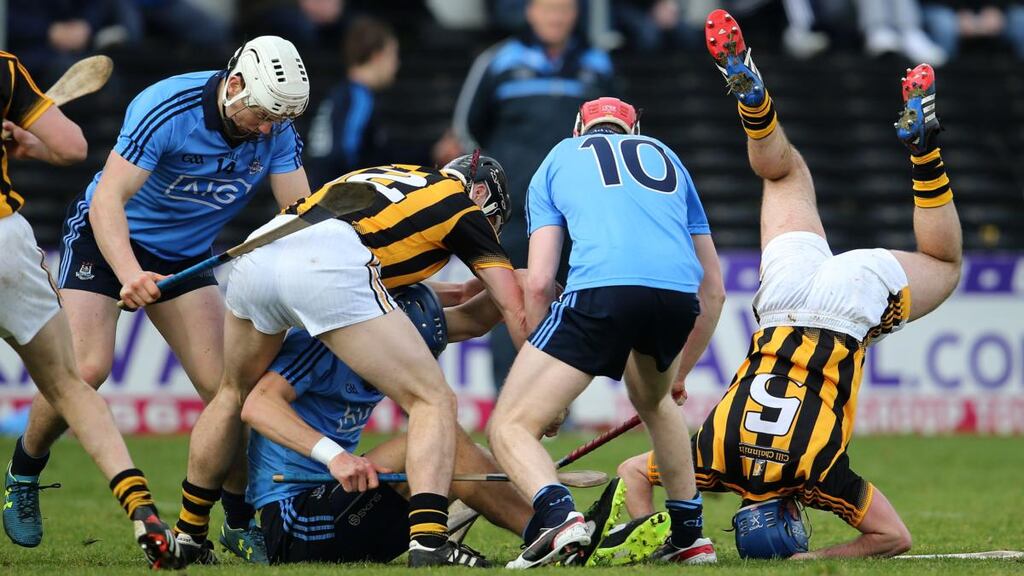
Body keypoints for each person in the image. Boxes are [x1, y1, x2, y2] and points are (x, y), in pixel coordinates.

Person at [610, 9, 961, 560]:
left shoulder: (820, 476)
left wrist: (813, 560)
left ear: (794, 515)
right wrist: (668, 544)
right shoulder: (710, 454)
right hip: (781, 299)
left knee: (944, 262)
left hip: (849, 304)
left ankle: (925, 154)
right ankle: (753, 103)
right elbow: (632, 472)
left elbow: (893, 538)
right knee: (782, 172)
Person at [5, 35, 312, 562]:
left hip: (186, 258)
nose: (265, 130)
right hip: (108, 243)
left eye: (275, 121)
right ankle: (23, 473)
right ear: (235, 85)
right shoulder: (167, 107)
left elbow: (298, 217)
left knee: (230, 391)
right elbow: (107, 201)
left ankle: (237, 521)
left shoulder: (276, 130)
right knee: (86, 368)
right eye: (260, 115)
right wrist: (127, 273)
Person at [174, 154, 525, 567]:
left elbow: (466, 313)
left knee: (230, 391)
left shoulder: (403, 179)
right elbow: (510, 303)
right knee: (435, 403)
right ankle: (432, 544)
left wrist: (539, 282)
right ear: (482, 195)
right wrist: (334, 456)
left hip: (268, 246)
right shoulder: (344, 324)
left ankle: (189, 533)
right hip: (327, 267)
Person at [486, 95, 725, 568]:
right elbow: (713, 288)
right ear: (634, 130)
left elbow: (537, 282)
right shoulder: (669, 158)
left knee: (509, 425)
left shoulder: (558, 157)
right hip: (676, 297)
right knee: (655, 402)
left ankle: (558, 519)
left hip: (603, 291)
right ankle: (691, 537)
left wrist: (544, 381)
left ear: (579, 129)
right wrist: (680, 374)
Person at [0, 50, 183, 569]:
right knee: (70, 385)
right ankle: (141, 508)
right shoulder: (4, 67)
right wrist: (26, 142)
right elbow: (73, 147)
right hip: (5, 246)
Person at [241, 284, 533, 565]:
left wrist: (523, 281)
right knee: (449, 446)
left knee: (444, 454)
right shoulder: (322, 342)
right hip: (294, 520)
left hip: (340, 506)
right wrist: (336, 457)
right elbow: (258, 405)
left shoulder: (391, 337)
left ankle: (549, 528)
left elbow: (471, 319)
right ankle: (545, 532)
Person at [452, 0, 615, 392]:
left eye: (564, 9)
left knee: (566, 305)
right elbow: (471, 129)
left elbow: (617, 134)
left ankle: (555, 402)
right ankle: (508, 395)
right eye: (548, 8)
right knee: (505, 300)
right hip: (511, 212)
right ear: (530, 11)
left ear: (575, 15)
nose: (556, 17)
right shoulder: (500, 61)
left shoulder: (598, 64)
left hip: (575, 213)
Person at [306, 16, 460, 188]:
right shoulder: (357, 97)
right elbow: (345, 154)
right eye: (394, 54)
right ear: (378, 56)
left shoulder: (343, 95)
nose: (397, 64)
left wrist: (430, 152)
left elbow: (378, 152)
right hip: (334, 199)